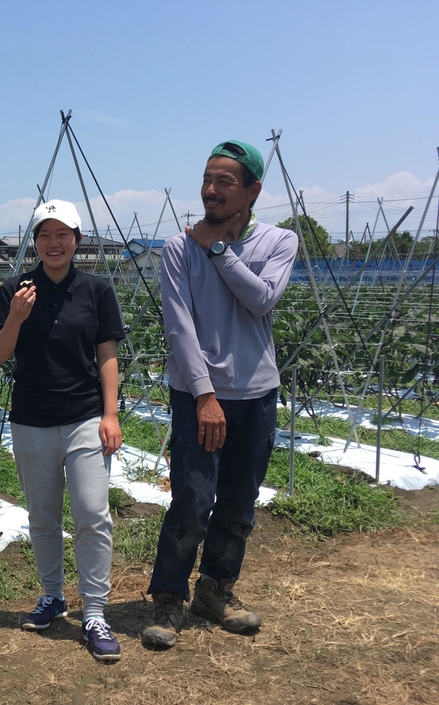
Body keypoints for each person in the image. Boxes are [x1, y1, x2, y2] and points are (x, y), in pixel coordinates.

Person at [141, 140, 298, 648]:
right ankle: (168, 596)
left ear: (252, 190)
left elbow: (261, 300)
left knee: (238, 500)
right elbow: (179, 326)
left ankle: (215, 589)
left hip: (255, 393)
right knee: (191, 496)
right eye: (207, 179)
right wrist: (205, 395)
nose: (210, 190)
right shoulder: (176, 248)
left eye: (224, 182)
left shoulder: (279, 241)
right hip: (196, 394)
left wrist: (218, 249)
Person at [0, 199, 125, 662]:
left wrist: (111, 414)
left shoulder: (96, 290)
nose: (54, 243)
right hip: (32, 418)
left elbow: (107, 355)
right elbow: (0, 355)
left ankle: (95, 610)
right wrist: (17, 317)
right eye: (44, 234)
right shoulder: (14, 290)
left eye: (62, 234)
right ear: (35, 241)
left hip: (86, 415)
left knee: (92, 513)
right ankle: (52, 595)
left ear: (77, 240)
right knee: (43, 516)